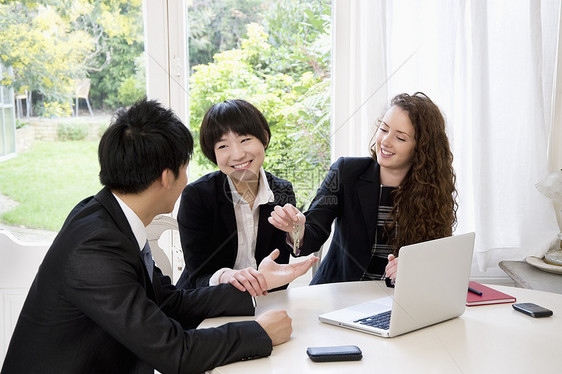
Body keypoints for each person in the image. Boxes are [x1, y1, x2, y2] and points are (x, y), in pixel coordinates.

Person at [1, 98, 317, 374]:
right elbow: (174, 352)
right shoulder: (97, 248)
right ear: (167, 177)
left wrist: (257, 284)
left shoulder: (106, 216)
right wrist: (258, 333)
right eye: (185, 166)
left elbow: (169, 301)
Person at [269, 92, 458, 285]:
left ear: (422, 149)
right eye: (384, 129)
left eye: (400, 138)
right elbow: (314, 232)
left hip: (396, 298)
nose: (385, 141)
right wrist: (296, 230)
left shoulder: (432, 191)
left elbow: (437, 254)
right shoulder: (346, 172)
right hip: (339, 294)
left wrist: (414, 266)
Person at [176, 99, 305, 296]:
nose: (237, 155)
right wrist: (226, 277)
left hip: (264, 301)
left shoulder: (281, 191)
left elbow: (280, 263)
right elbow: (198, 277)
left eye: (245, 140)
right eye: (223, 146)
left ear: (264, 138)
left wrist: (296, 233)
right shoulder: (197, 196)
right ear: (213, 154)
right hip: (207, 303)